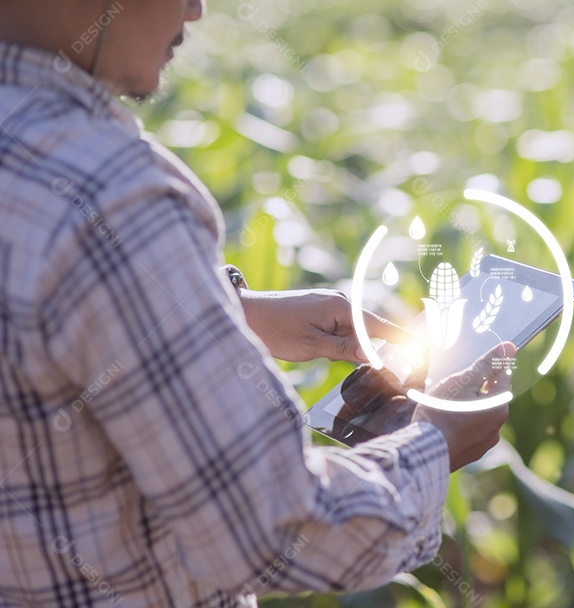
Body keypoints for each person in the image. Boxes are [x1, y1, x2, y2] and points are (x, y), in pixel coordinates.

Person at [0, 0, 513, 606]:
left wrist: (223, 312)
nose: (196, 9)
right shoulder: (113, 195)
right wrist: (434, 445)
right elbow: (268, 527)